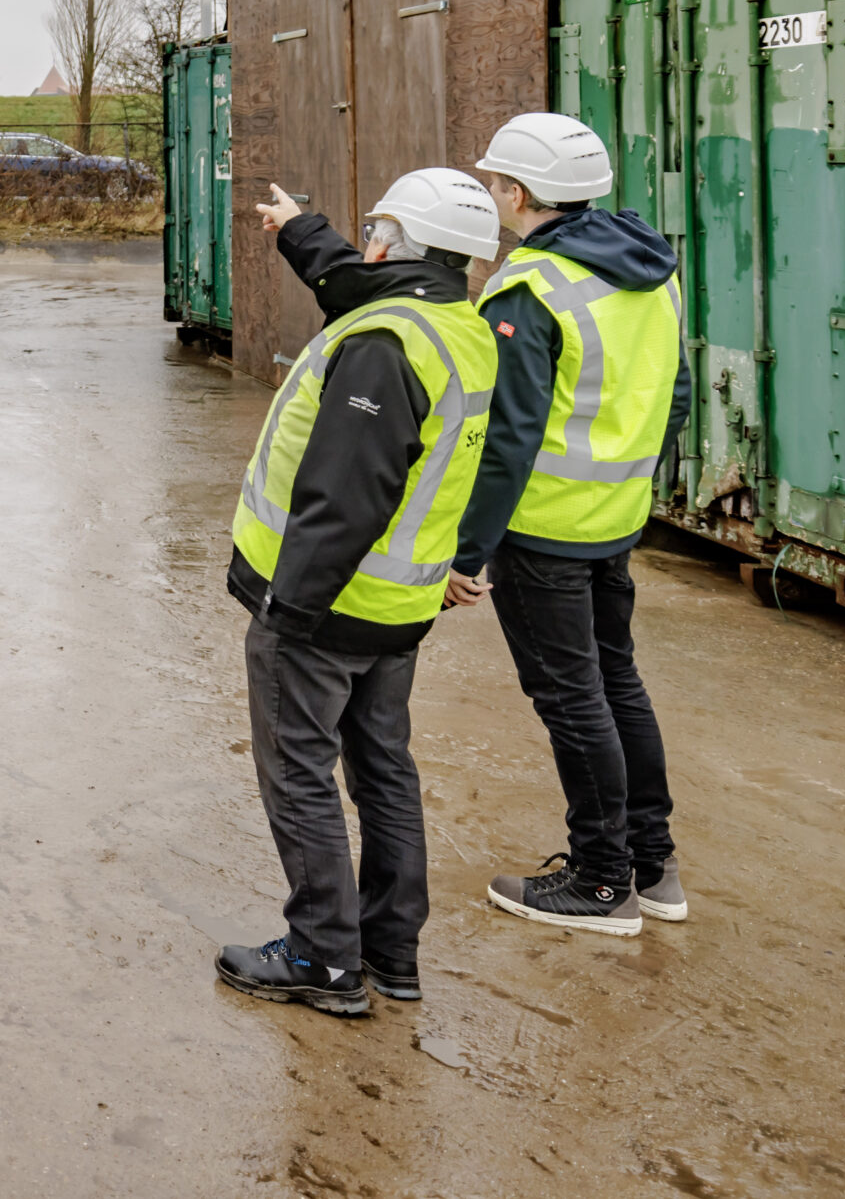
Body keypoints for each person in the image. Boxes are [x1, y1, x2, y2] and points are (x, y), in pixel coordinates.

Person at [216, 168, 502, 1019]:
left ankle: (323, 958)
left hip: (326, 607)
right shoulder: (456, 326)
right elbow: (351, 281)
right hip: (397, 608)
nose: (366, 241)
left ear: (396, 246)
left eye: (377, 229)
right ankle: (389, 952)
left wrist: (291, 610)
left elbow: (345, 495)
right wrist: (299, 227)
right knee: (382, 771)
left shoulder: (384, 345)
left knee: (298, 772)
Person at [446, 112, 691, 939]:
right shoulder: (652, 268)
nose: (493, 194)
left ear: (517, 193)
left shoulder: (531, 287)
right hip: (615, 517)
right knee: (616, 682)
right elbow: (675, 395)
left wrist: (467, 553)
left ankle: (600, 883)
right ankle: (652, 866)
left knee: (572, 698)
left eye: (496, 183)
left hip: (545, 527)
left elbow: (506, 438)